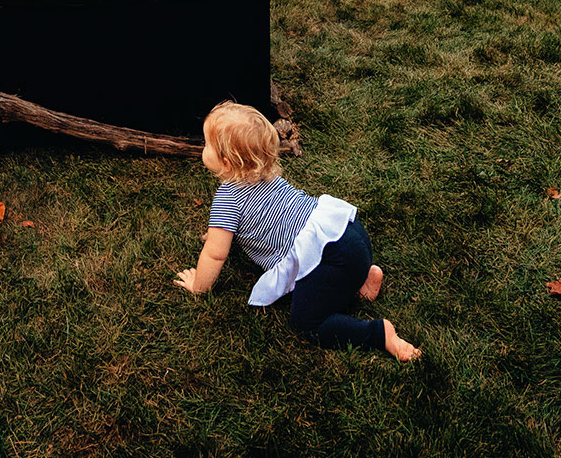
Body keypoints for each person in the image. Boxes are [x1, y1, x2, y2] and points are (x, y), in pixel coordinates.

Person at [172, 100, 421, 361]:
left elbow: (215, 254)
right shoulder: (267, 175)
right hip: (348, 232)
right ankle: (363, 279)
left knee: (307, 323)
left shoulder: (228, 200)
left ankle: (378, 333)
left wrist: (199, 285)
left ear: (225, 162)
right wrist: (218, 233)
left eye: (207, 144)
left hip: (327, 259)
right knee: (341, 270)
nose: (204, 148)